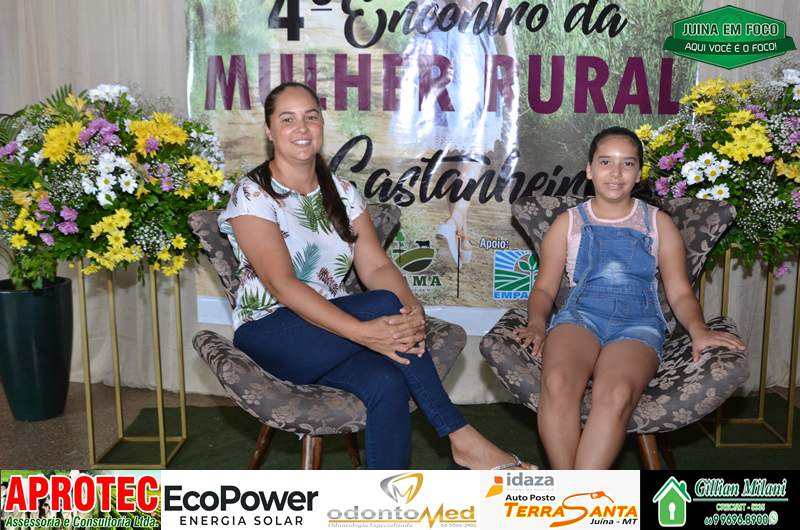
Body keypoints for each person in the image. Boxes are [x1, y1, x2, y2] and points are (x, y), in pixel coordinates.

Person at [219, 81, 533, 470]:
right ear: (269, 130)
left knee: (387, 382)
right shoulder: (253, 193)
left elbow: (377, 266)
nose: (301, 128)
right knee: (384, 303)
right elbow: (282, 284)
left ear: (321, 124)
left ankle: (388, 497)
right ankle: (461, 438)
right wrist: (362, 332)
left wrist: (412, 308)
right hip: (271, 334)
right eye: (287, 119)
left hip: (328, 335)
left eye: (311, 117)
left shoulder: (343, 193)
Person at [513, 126, 745, 469]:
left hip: (638, 325)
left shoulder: (658, 223)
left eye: (627, 163)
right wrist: (536, 324)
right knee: (558, 382)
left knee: (617, 393)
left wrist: (698, 329)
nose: (616, 173)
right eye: (606, 162)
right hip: (580, 318)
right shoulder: (568, 223)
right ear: (589, 170)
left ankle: (575, 495)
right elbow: (545, 288)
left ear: (638, 173)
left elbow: (680, 291)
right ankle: (571, 495)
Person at [391, 0, 519, 267]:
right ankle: (455, 221)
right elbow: (502, 18)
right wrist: (511, 60)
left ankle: (461, 234)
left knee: (459, 150)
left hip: (441, 53)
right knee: (472, 148)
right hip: (468, 55)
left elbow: (418, 17)